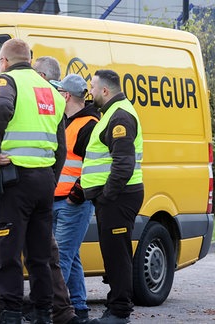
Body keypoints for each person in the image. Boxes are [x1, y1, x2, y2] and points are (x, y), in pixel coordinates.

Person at [0, 39, 66, 324]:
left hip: (15, 180)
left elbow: (0, 110)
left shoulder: (7, 81)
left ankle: (10, 314)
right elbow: (61, 146)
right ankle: (44, 313)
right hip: (44, 181)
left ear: (4, 61)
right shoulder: (51, 90)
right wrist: (50, 178)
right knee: (40, 255)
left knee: (8, 253)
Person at [81, 70, 144, 324]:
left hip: (119, 197)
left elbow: (123, 164)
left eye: (93, 87)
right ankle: (116, 307)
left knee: (117, 257)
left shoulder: (120, 117)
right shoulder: (112, 114)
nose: (91, 92)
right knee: (114, 254)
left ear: (105, 91)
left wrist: (106, 196)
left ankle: (119, 312)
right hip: (115, 198)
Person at [50, 74, 100, 321]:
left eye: (59, 92)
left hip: (72, 201)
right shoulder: (64, 120)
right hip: (57, 198)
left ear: (66, 96)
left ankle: (52, 307)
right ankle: (79, 306)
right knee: (71, 255)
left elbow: (93, 165)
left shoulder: (89, 124)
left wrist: (77, 195)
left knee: (60, 257)